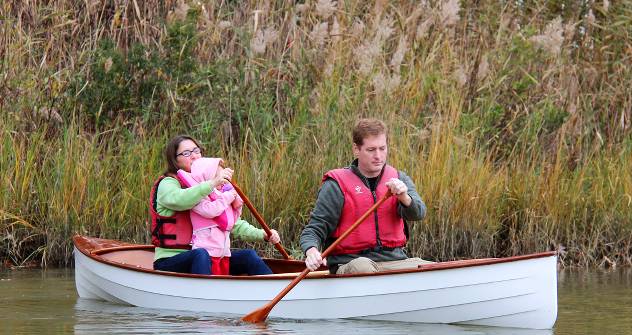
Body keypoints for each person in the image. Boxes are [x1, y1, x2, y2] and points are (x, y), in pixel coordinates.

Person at [300, 118, 431, 274]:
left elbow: (419, 213)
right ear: (356, 149)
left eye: (382, 148)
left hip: (395, 261)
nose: (378, 156)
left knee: (434, 269)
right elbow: (314, 229)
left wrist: (404, 197)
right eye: (371, 150)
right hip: (350, 263)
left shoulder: (399, 178)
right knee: (362, 266)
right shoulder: (336, 185)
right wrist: (312, 251)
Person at [150, 134, 280, 275]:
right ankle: (206, 295)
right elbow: (182, 200)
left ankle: (274, 292)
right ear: (175, 160)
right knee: (201, 255)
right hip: (172, 259)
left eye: (196, 151)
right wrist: (212, 183)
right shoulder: (168, 183)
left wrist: (263, 235)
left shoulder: (205, 184)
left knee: (248, 256)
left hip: (208, 255)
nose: (194, 156)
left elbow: (229, 221)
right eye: (186, 153)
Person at [176, 157, 244, 275]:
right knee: (212, 282)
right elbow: (211, 210)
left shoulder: (221, 195)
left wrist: (237, 203)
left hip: (223, 252)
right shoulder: (197, 199)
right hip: (207, 253)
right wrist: (228, 197)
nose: (222, 181)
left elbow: (233, 220)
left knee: (222, 283)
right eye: (218, 177)